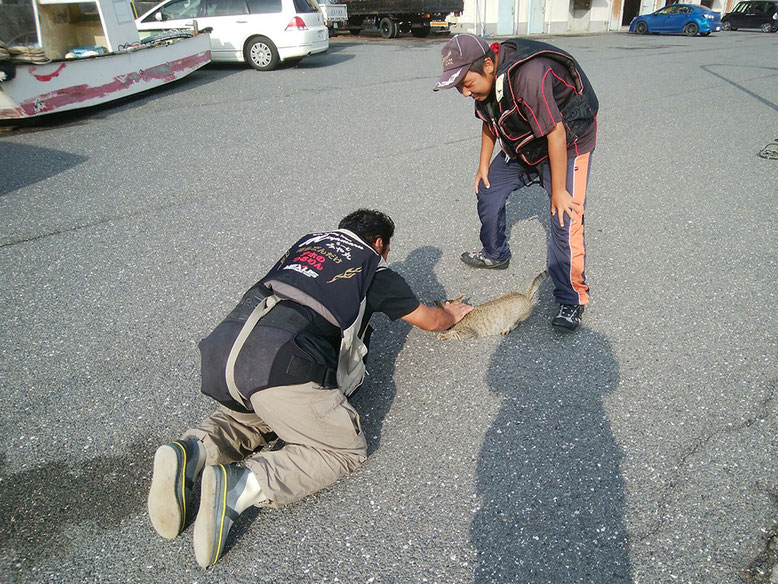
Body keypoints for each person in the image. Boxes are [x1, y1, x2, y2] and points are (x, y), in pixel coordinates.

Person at [147, 209, 472, 568]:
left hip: (226, 354)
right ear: (380, 243)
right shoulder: (372, 269)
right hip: (284, 362)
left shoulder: (307, 246)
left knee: (256, 415)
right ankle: (241, 485)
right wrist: (452, 313)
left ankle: (193, 451)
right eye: (388, 248)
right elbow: (430, 321)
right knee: (343, 450)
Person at [434, 34, 599, 332]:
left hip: (568, 142)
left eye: (466, 84)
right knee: (488, 189)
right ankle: (495, 254)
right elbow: (489, 121)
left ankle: (571, 298)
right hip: (524, 143)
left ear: (487, 64)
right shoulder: (485, 86)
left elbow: (556, 134)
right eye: (458, 87)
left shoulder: (528, 76)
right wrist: (483, 165)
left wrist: (559, 190)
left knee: (565, 217)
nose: (464, 93)